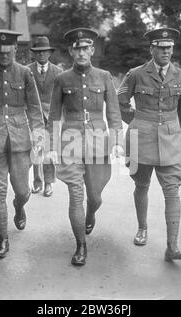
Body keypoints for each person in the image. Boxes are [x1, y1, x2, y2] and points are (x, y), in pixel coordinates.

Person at [117, 28, 181, 262]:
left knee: (172, 190)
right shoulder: (135, 74)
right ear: (152, 49)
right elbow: (120, 101)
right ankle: (142, 228)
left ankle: (172, 246)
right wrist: (137, 121)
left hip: (171, 141)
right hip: (141, 139)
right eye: (161, 48)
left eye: (169, 48)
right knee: (141, 185)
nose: (166, 52)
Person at [46, 28, 123, 266]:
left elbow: (113, 113)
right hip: (70, 143)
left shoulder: (104, 76)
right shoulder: (62, 79)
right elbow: (53, 116)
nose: (81, 53)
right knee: (75, 195)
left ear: (92, 50)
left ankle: (91, 213)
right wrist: (50, 145)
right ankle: (80, 245)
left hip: (98, 142)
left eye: (85, 48)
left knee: (95, 196)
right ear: (71, 51)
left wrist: (118, 141)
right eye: (76, 48)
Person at [0, 29, 44, 259]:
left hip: (20, 140)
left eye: (8, 52)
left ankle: (19, 206)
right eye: (0, 52)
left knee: (22, 190)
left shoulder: (25, 73)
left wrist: (39, 138)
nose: (4, 56)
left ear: (16, 50)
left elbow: (35, 109)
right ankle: (2, 239)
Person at [28, 36, 63, 197]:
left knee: (49, 151)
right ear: (34, 54)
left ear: (49, 53)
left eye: (44, 52)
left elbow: (62, 97)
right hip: (34, 116)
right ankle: (37, 182)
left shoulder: (58, 72)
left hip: (52, 116)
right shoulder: (27, 71)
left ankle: (49, 183)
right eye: (38, 52)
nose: (41, 55)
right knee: (36, 150)